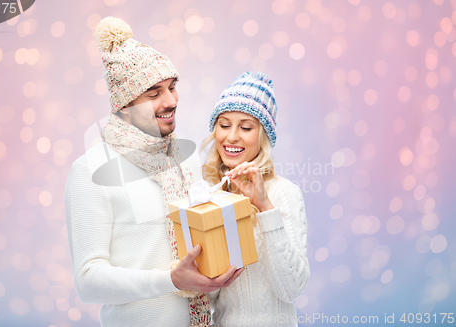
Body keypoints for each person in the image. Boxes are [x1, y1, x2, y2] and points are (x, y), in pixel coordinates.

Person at [64, 17, 241, 327]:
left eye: (172, 87)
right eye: (154, 93)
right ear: (124, 104)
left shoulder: (183, 160)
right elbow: (88, 280)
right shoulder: (90, 170)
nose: (171, 101)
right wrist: (171, 280)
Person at [201, 72, 310, 326]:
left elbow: (291, 289)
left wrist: (264, 208)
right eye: (224, 125)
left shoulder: (283, 193)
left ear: (263, 136)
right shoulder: (208, 195)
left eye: (246, 127)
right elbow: (208, 298)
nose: (231, 137)